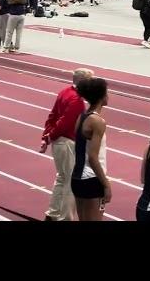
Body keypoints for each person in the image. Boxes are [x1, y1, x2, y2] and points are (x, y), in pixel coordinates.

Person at [40, 68, 94, 221]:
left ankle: (52, 213)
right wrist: (50, 136)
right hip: (67, 142)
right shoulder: (76, 100)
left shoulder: (64, 92)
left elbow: (52, 115)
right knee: (71, 181)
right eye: (91, 80)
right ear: (83, 81)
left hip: (58, 142)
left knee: (62, 178)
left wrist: (46, 136)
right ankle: (66, 217)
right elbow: (64, 123)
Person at [71, 78, 111, 221]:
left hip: (77, 177)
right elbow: (93, 157)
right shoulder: (97, 121)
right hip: (92, 179)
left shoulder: (81, 117)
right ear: (102, 97)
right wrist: (106, 184)